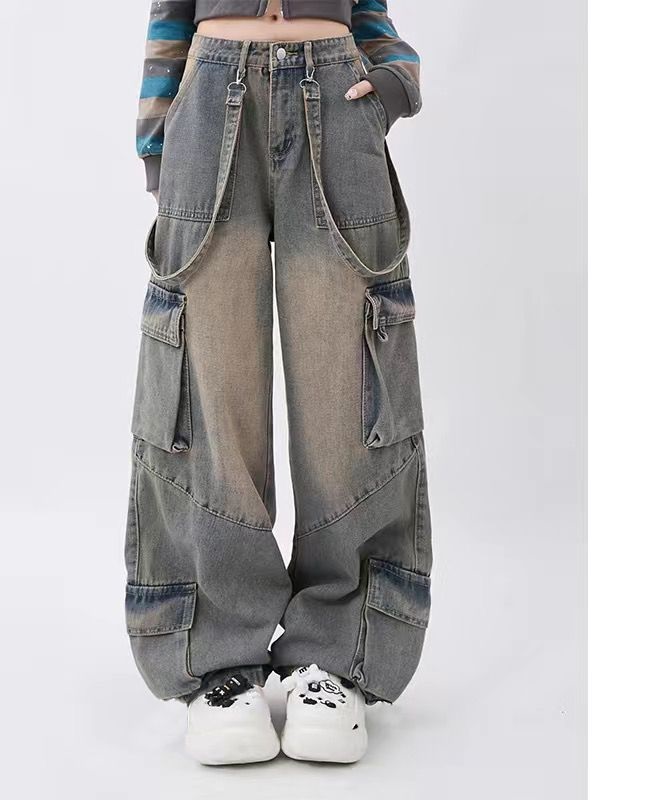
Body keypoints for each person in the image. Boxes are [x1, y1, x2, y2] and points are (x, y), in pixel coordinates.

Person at [126, 0, 432, 766]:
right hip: (209, 102)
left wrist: (395, 81)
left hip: (338, 98)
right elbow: (169, 16)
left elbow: (371, 15)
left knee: (349, 389)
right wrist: (160, 141)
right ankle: (219, 665)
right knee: (208, 385)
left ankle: (337, 656)